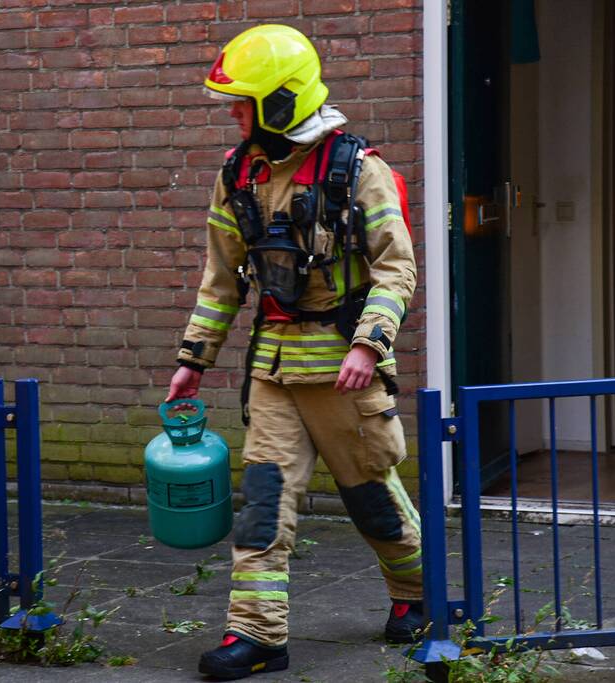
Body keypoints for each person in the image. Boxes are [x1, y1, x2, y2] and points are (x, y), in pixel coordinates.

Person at [164, 24, 423, 680]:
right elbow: (221, 279)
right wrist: (193, 360)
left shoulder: (358, 170)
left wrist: (369, 344)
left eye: (243, 103)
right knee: (263, 505)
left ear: (280, 101)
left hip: (344, 372)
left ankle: (419, 598)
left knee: (373, 502)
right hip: (275, 370)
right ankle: (257, 635)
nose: (233, 114)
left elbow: (396, 270)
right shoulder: (237, 173)